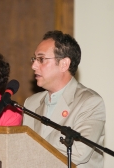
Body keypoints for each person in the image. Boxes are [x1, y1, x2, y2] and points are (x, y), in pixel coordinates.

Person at [23, 30, 105, 168]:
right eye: (34, 59)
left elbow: (77, 153)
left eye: (41, 59)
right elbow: (22, 149)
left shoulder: (90, 102)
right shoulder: (31, 103)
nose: (34, 66)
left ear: (64, 64)